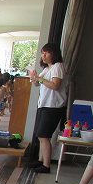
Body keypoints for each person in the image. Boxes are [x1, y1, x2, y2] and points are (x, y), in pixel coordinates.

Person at [29, 42, 68, 174]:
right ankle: (41, 161)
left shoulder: (58, 66)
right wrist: (34, 78)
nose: (43, 55)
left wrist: (39, 79)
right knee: (41, 135)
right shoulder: (47, 69)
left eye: (46, 53)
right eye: (42, 53)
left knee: (44, 135)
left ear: (54, 53)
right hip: (44, 105)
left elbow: (55, 85)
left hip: (53, 106)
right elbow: (37, 84)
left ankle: (46, 166)